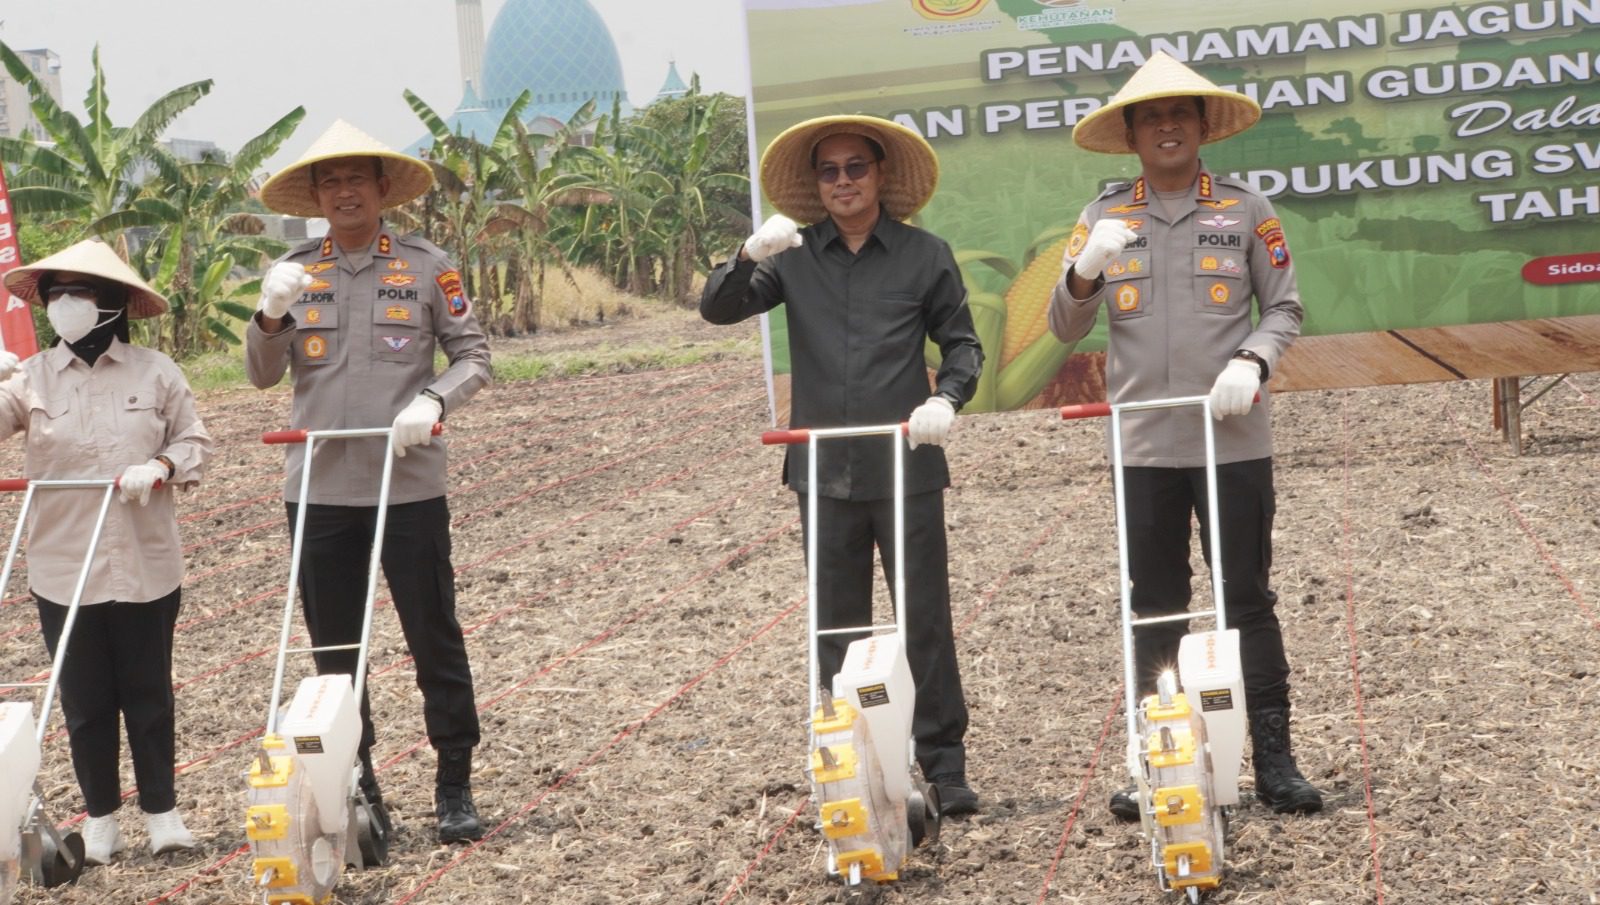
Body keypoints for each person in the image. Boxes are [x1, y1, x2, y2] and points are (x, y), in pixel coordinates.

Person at [1048, 51, 1322, 819]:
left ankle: (1275, 761)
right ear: (1132, 134)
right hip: (1143, 446)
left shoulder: (1246, 208)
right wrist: (1084, 271)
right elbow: (1061, 326)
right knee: (1157, 603)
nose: (1166, 127)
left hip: (1232, 439)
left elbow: (1285, 306)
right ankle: (1157, 758)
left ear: (1202, 127)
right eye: (1151, 117)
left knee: (1247, 598)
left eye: (1180, 114)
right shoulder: (1105, 215)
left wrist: (1252, 360)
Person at [701, 115, 985, 816]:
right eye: (829, 171)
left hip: (906, 465)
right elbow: (719, 309)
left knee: (924, 619)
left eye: (856, 166)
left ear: (881, 174)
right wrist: (747, 254)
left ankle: (943, 764)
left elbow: (962, 345)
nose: (844, 181)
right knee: (837, 626)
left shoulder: (925, 255)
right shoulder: (792, 258)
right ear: (816, 185)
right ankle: (852, 759)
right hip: (823, 471)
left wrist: (945, 398)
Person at [246, 120, 492, 843]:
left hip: (407, 485)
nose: (344, 191)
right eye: (330, 181)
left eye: (357, 178)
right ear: (316, 196)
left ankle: (454, 785)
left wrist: (433, 400)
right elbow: (261, 375)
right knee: (335, 653)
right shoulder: (294, 272)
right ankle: (359, 785)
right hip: (318, 489)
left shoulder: (426, 265)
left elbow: (474, 356)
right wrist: (269, 313)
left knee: (433, 634)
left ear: (383, 189)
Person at [0, 239, 214, 864]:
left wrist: (161, 465)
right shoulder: (30, 377)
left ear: (113, 302)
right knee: (85, 700)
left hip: (145, 559)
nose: (66, 304)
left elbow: (195, 441)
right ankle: (100, 820)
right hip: (63, 565)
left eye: (81, 292)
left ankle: (163, 814)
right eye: (57, 293)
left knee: (149, 693)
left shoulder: (156, 372)